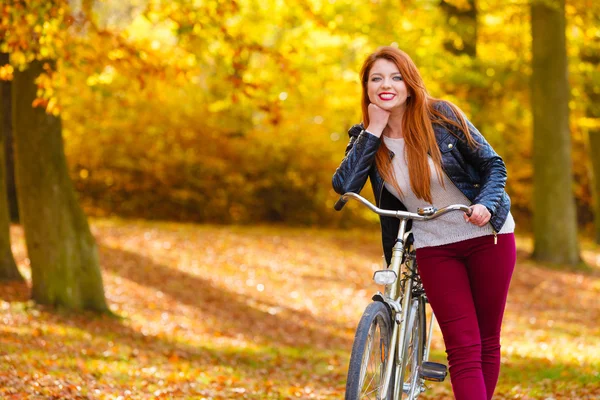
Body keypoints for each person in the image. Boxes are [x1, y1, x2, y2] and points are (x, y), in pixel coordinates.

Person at [332, 46, 516, 400]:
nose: (387, 85)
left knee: (485, 341)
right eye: (377, 79)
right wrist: (374, 128)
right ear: (367, 88)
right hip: (434, 245)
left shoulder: (442, 116)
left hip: (486, 235)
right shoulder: (368, 136)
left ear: (410, 82)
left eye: (396, 77)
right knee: (462, 346)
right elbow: (344, 185)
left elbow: (494, 165)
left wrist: (485, 205)